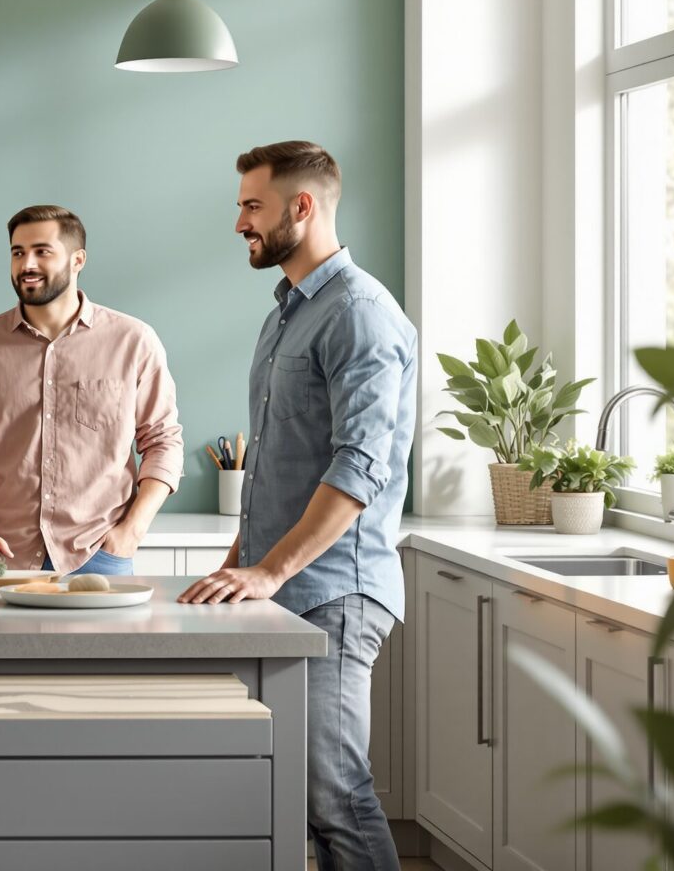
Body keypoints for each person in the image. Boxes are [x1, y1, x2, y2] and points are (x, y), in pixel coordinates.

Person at [179, 141, 414, 871]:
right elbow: (282, 460)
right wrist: (241, 561)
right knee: (287, 792)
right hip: (283, 588)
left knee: (333, 797)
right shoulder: (288, 313)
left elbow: (359, 467)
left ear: (301, 207)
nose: (240, 222)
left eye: (253, 205)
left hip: (332, 591)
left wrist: (269, 572)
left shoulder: (360, 315)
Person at [0, 204, 184, 576]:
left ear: (77, 260)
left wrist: (130, 532)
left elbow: (163, 441)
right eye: (18, 252)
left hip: (99, 554)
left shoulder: (133, 341)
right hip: (1, 558)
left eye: (42, 251)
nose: (27, 264)